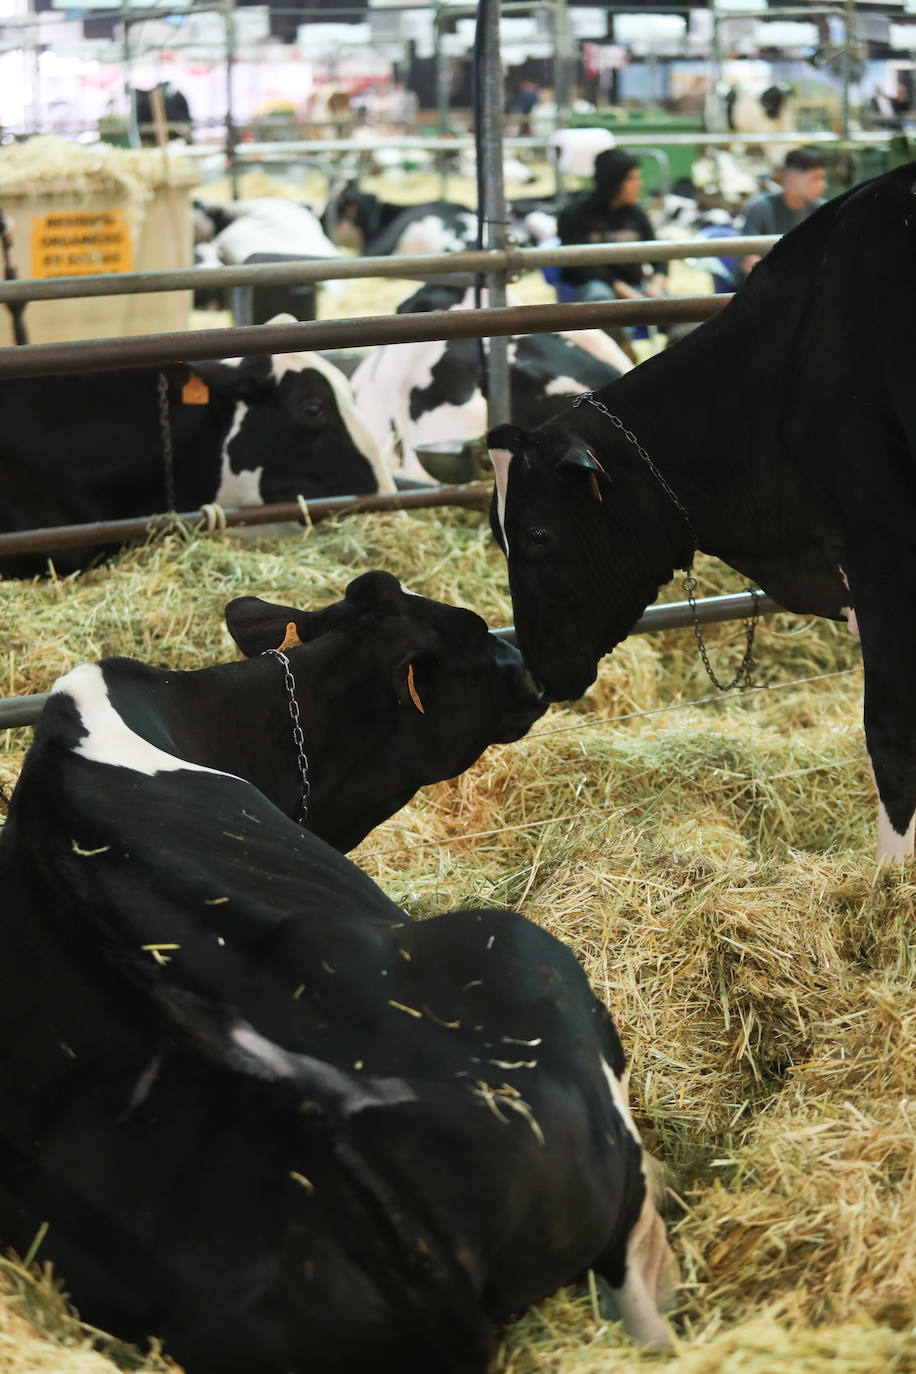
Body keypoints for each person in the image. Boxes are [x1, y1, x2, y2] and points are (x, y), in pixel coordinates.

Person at [556, 149, 668, 308]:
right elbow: (583, 266)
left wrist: (656, 287)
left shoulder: (636, 214)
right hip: (593, 291)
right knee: (600, 296)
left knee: (677, 307)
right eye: (631, 179)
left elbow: (659, 255)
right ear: (613, 181)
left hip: (635, 288)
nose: (639, 184)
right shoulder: (575, 215)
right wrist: (627, 293)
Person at [737, 147, 827, 278]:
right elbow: (748, 261)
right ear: (791, 180)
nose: (823, 185)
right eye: (815, 178)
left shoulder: (821, 209)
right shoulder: (760, 208)